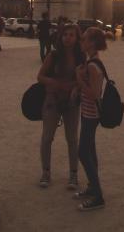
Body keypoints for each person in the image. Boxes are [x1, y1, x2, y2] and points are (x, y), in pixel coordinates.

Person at [37, 23, 84, 190]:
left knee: (72, 139)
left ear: (77, 38)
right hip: (53, 100)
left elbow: (84, 81)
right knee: (47, 137)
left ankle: (73, 174)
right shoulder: (53, 55)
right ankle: (46, 172)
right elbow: (40, 76)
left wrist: (75, 88)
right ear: (60, 36)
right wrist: (55, 83)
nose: (68, 38)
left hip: (71, 101)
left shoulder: (82, 57)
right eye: (65, 34)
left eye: (71, 35)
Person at [74, 26, 108, 211]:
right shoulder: (91, 62)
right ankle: (91, 186)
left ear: (93, 43)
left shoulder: (93, 66)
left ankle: (98, 196)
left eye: (85, 39)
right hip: (87, 112)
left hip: (91, 114)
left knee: (83, 152)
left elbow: (95, 93)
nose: (81, 41)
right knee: (90, 151)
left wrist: (79, 79)